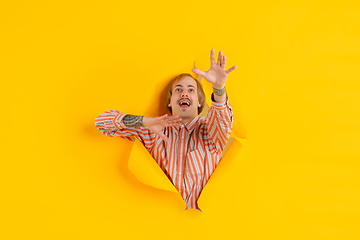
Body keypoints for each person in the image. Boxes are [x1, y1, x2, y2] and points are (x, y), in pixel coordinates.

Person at [94, 49, 237, 211]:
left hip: (203, 227)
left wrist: (219, 88)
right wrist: (144, 121)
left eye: (191, 90)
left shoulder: (210, 132)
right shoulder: (153, 130)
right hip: (162, 225)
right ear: (170, 102)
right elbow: (102, 122)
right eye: (178, 90)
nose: (184, 93)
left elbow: (223, 121)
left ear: (199, 102)